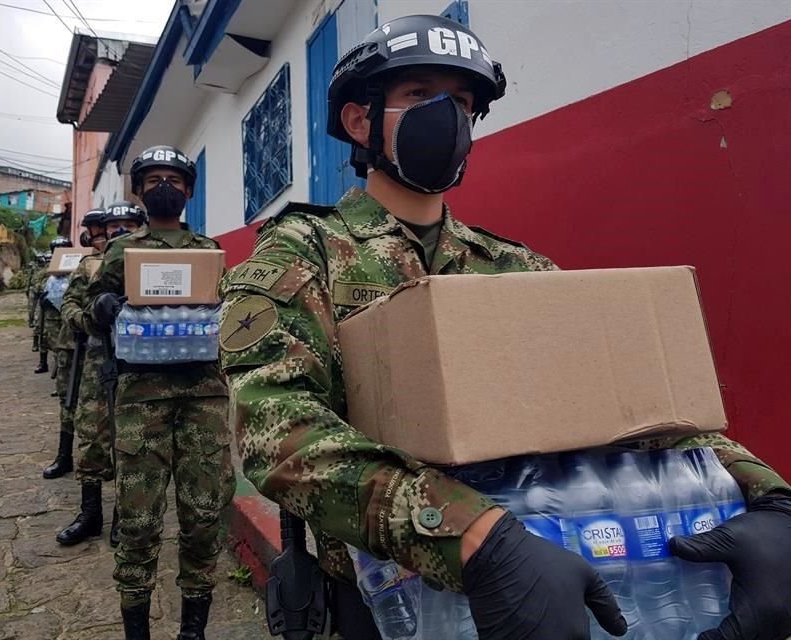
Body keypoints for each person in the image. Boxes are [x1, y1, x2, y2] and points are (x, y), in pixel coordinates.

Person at [217, 14, 791, 640]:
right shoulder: (303, 255)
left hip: (547, 578)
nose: (448, 117)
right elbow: (275, 432)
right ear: (360, 121)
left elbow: (631, 402)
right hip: (387, 598)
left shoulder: (519, 267)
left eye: (462, 103)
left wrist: (770, 496)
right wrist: (473, 539)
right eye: (419, 95)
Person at [85, 146, 235, 640]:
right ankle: (137, 629)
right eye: (152, 180)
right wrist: (101, 307)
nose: (163, 186)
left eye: (173, 179)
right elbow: (84, 312)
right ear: (139, 192)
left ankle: (193, 628)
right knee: (138, 518)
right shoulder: (120, 251)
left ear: (189, 190)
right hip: (140, 399)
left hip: (203, 397)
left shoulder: (209, 250)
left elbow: (228, 315)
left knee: (204, 514)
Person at [56, 208, 120, 546]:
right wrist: (88, 319)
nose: (114, 233)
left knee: (131, 441)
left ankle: (124, 515)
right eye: (110, 228)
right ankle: (90, 512)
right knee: (92, 437)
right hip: (98, 361)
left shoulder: (147, 259)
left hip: (138, 365)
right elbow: (69, 304)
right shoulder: (88, 266)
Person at [42, 235, 76, 479]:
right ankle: (64, 455)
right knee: (67, 401)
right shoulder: (58, 273)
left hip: (109, 348)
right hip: (71, 343)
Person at [28, 252, 53, 372]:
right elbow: (36, 285)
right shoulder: (43, 272)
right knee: (40, 328)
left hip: (60, 305)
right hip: (45, 303)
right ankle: (43, 362)